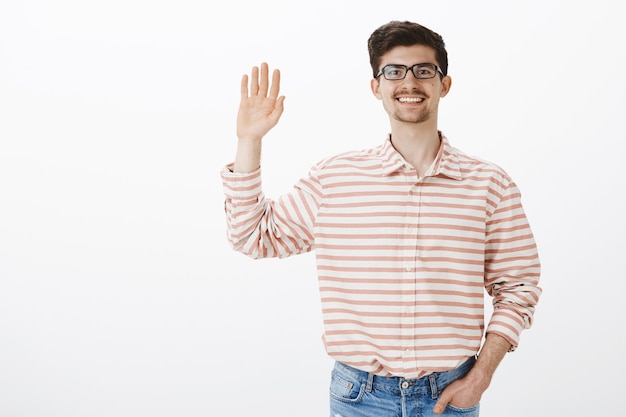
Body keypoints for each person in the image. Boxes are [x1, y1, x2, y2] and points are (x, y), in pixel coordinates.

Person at [221, 20, 541, 417]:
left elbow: (519, 285)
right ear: (377, 87)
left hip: (451, 395)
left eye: (424, 70)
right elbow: (252, 235)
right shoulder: (335, 178)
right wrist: (249, 140)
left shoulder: (490, 184)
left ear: (445, 84)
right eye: (394, 71)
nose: (410, 82)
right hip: (359, 398)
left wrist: (481, 376)